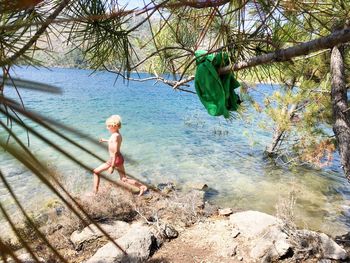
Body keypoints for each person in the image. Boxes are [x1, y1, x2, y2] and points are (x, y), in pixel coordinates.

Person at [93, 115, 148, 196]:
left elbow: (115, 151)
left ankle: (95, 192)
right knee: (123, 179)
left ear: (114, 126)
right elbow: (113, 142)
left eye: (108, 126)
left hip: (114, 159)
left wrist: (112, 166)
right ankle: (142, 186)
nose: (107, 128)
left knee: (96, 172)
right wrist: (105, 140)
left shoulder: (115, 136)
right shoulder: (117, 134)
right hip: (119, 158)